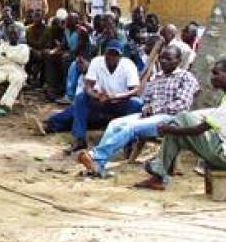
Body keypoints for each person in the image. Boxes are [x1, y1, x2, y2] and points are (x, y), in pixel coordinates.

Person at [77, 45, 199, 177]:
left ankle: (95, 156)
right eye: (162, 58)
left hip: (172, 118)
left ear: (178, 61)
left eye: (168, 59)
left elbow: (182, 104)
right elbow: (147, 99)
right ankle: (98, 165)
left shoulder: (186, 77)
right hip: (151, 116)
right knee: (115, 124)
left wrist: (155, 109)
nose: (163, 61)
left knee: (131, 127)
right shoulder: (157, 77)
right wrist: (146, 107)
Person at [135, 59, 226, 191]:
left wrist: (167, 128)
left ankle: (159, 170)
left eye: (216, 73)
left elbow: (198, 130)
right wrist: (172, 129)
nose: (212, 77)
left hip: (224, 156)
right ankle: (158, 176)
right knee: (176, 129)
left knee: (181, 119)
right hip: (221, 148)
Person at [41, 40, 142, 152]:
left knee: (136, 103)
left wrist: (115, 96)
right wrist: (96, 96)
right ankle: (79, 138)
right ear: (104, 53)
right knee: (81, 99)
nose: (112, 57)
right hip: (101, 102)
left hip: (120, 103)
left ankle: (129, 142)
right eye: (109, 53)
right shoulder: (97, 62)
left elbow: (136, 90)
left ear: (120, 56)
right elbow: (88, 86)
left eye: (115, 54)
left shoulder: (128, 65)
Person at [0, 24, 30, 115]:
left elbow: (23, 60)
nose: (13, 36)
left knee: (18, 80)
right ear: (7, 36)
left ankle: (5, 105)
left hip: (17, 69)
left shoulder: (24, 47)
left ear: (18, 35)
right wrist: (14, 58)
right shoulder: (2, 46)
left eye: (15, 33)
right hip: (2, 69)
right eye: (10, 34)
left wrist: (6, 56)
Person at [24, 9, 51, 87]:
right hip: (31, 51)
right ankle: (27, 79)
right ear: (33, 17)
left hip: (43, 51)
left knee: (47, 55)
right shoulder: (27, 29)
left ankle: (44, 81)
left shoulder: (48, 29)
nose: (37, 18)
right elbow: (25, 44)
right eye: (35, 16)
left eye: (39, 16)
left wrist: (41, 51)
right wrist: (33, 50)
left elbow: (49, 44)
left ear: (43, 17)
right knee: (25, 53)